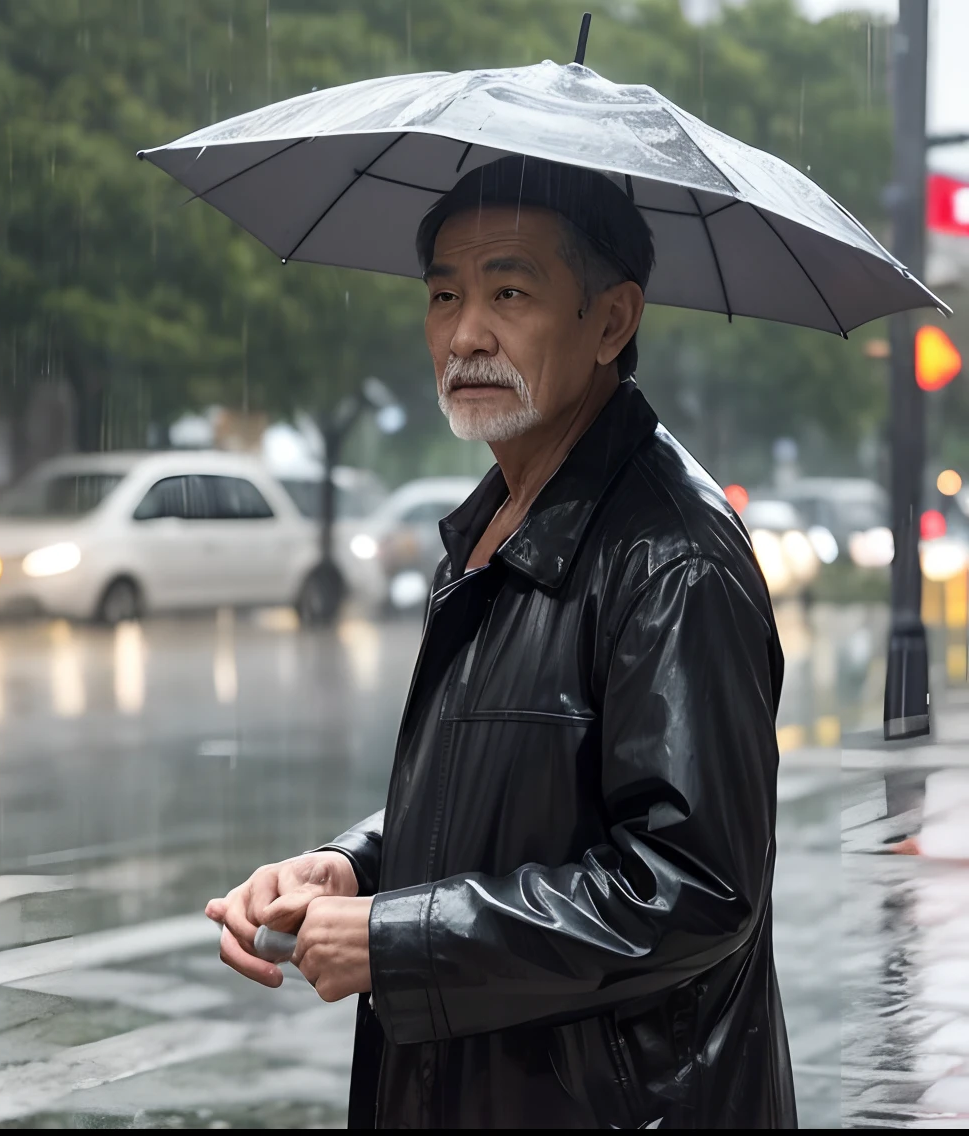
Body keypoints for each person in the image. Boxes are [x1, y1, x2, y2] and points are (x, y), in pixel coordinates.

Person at [207, 156, 793, 1128]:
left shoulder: (668, 558)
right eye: (443, 293)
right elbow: (515, 804)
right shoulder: (493, 525)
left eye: (507, 291)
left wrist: (396, 942)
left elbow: (692, 887)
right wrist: (354, 867)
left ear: (610, 320)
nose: (463, 333)